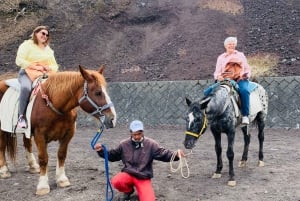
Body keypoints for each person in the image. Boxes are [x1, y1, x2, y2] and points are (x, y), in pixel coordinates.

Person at [94, 120, 185, 201]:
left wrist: (176, 155)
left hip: (143, 177)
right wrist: (101, 151)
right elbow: (112, 155)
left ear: (143, 132)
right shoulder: (123, 144)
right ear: (130, 133)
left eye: (139, 133)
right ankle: (128, 191)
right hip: (128, 174)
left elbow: (164, 154)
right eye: (134, 134)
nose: (137, 136)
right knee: (116, 181)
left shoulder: (151, 144)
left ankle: (141, 190)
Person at [15, 25, 59, 128]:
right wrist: (34, 66)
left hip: (45, 74)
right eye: (43, 33)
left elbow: (55, 65)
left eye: (47, 35)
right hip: (27, 73)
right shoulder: (26, 45)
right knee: (26, 88)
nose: (45, 36)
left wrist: (49, 67)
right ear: (36, 33)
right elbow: (19, 60)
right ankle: (21, 117)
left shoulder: (48, 50)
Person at [214, 36, 251, 124]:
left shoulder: (240, 55)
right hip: (226, 80)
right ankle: (212, 114)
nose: (231, 46)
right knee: (208, 92)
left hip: (240, 79)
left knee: (245, 91)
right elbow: (217, 72)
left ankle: (245, 115)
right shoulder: (221, 57)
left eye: (233, 44)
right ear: (225, 46)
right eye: (230, 44)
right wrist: (218, 77)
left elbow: (247, 69)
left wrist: (246, 75)